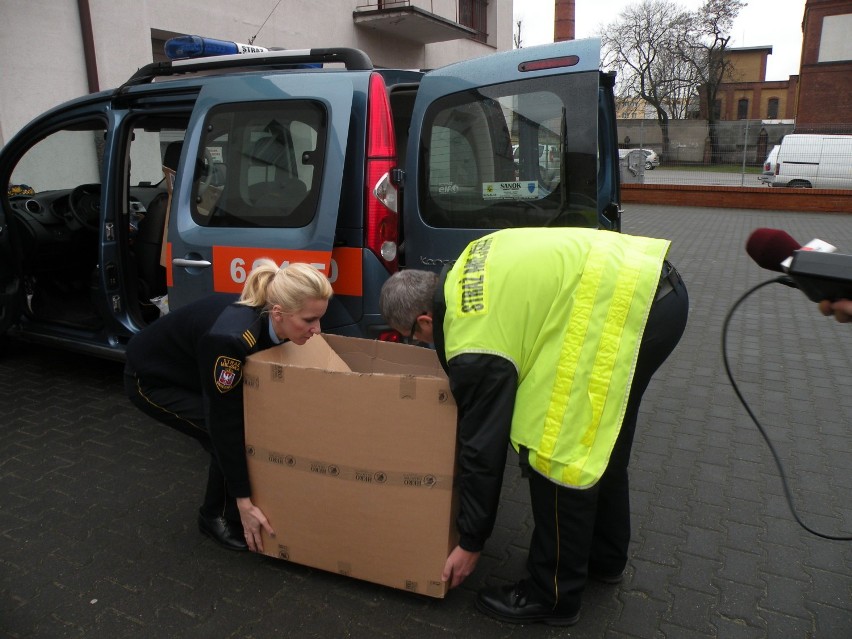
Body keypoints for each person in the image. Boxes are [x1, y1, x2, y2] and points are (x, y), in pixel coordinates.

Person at [379, 228, 688, 626]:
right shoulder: (462, 267)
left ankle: (551, 594)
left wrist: (471, 541)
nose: (422, 344)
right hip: (651, 285)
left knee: (556, 448)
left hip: (627, 304)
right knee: (600, 438)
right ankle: (604, 556)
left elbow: (482, 447)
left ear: (424, 319)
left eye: (414, 338)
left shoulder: (472, 340)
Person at [125, 261, 332, 553]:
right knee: (224, 438)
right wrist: (244, 499)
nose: (317, 330)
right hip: (152, 380)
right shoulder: (232, 340)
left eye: (320, 318)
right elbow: (225, 424)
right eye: (309, 320)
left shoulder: (276, 320)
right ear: (278, 313)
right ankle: (215, 516)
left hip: (192, 370)